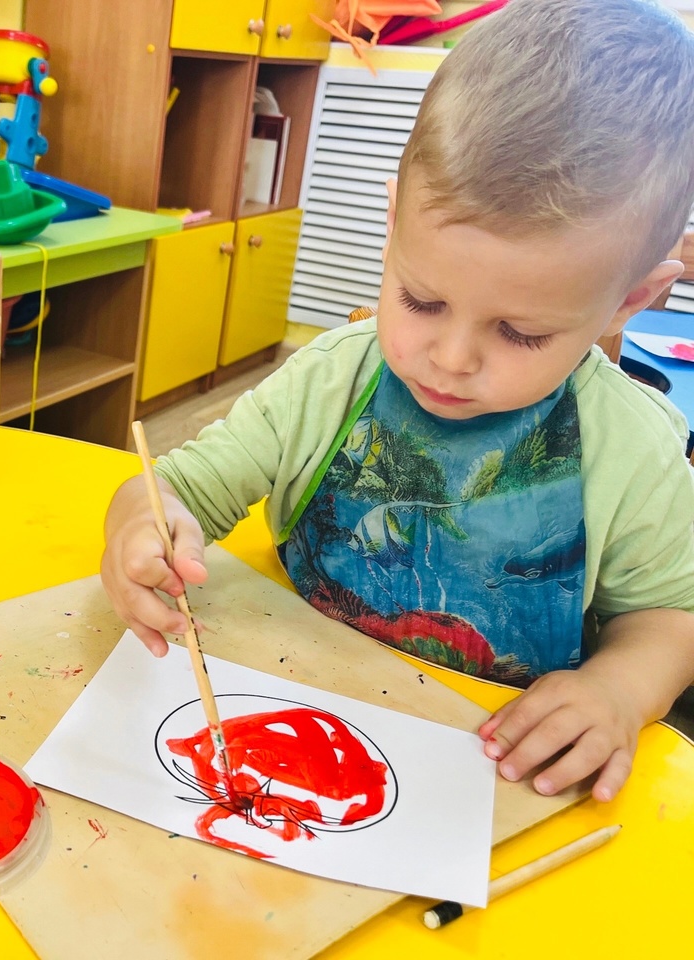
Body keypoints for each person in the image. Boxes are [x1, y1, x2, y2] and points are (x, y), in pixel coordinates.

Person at [102, 0, 694, 803]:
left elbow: (671, 617)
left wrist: (619, 690)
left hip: (488, 781)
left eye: (520, 333)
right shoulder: (329, 380)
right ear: (393, 225)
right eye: (421, 299)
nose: (450, 359)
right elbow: (176, 486)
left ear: (629, 302)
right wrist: (141, 524)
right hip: (283, 723)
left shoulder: (634, 448)